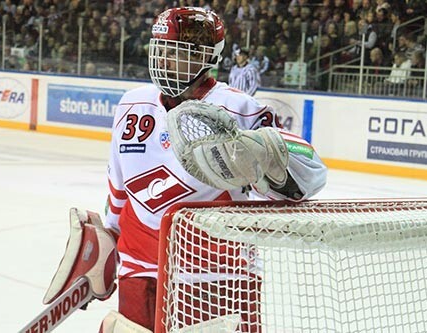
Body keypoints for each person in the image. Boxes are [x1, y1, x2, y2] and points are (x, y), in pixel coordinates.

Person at [103, 7, 327, 332]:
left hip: (218, 273)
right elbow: (118, 183)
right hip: (139, 266)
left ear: (206, 57)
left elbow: (310, 170)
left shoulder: (241, 110)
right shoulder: (131, 103)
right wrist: (109, 235)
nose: (163, 61)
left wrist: (267, 160)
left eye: (176, 53)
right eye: (160, 50)